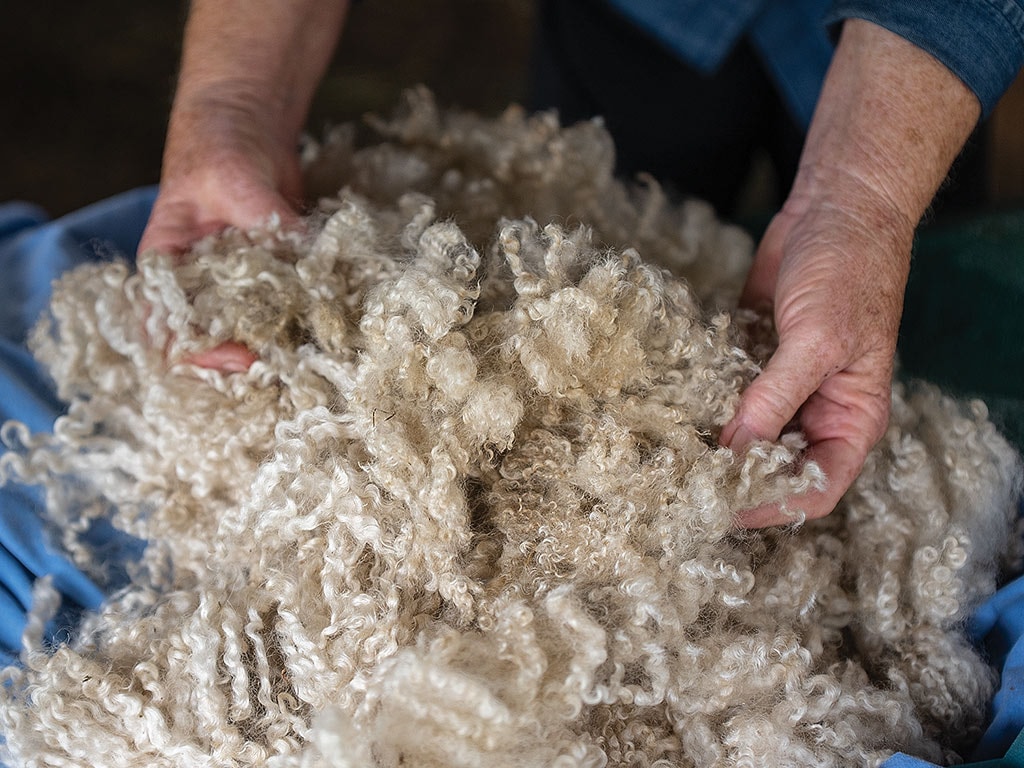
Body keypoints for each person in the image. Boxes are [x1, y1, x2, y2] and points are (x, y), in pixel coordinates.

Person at [138, 0, 1024, 528]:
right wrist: (233, 103)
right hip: (646, 18)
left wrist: (864, 197)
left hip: (919, 39)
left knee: (870, 273)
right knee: (603, 199)